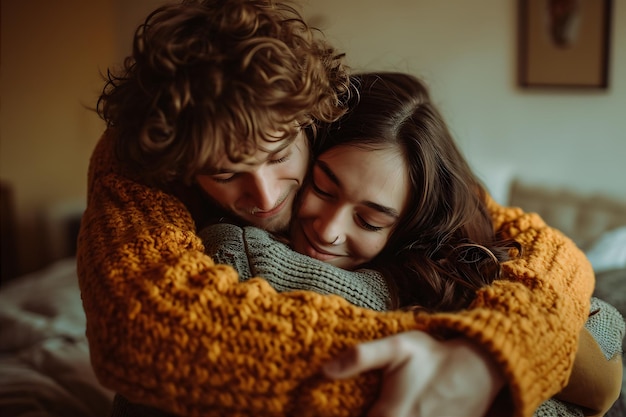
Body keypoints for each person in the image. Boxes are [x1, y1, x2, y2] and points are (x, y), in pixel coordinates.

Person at [77, 1, 597, 416]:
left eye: (279, 156)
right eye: (225, 173)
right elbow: (139, 330)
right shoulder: (144, 156)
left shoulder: (351, 132)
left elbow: (545, 251)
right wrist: (452, 362)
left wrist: (489, 356)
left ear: (313, 118)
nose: (264, 197)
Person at [201, 71, 624, 416]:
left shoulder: (466, 273)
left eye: (369, 220)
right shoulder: (236, 245)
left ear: (411, 227)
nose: (328, 230)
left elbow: (605, 374)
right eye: (323, 189)